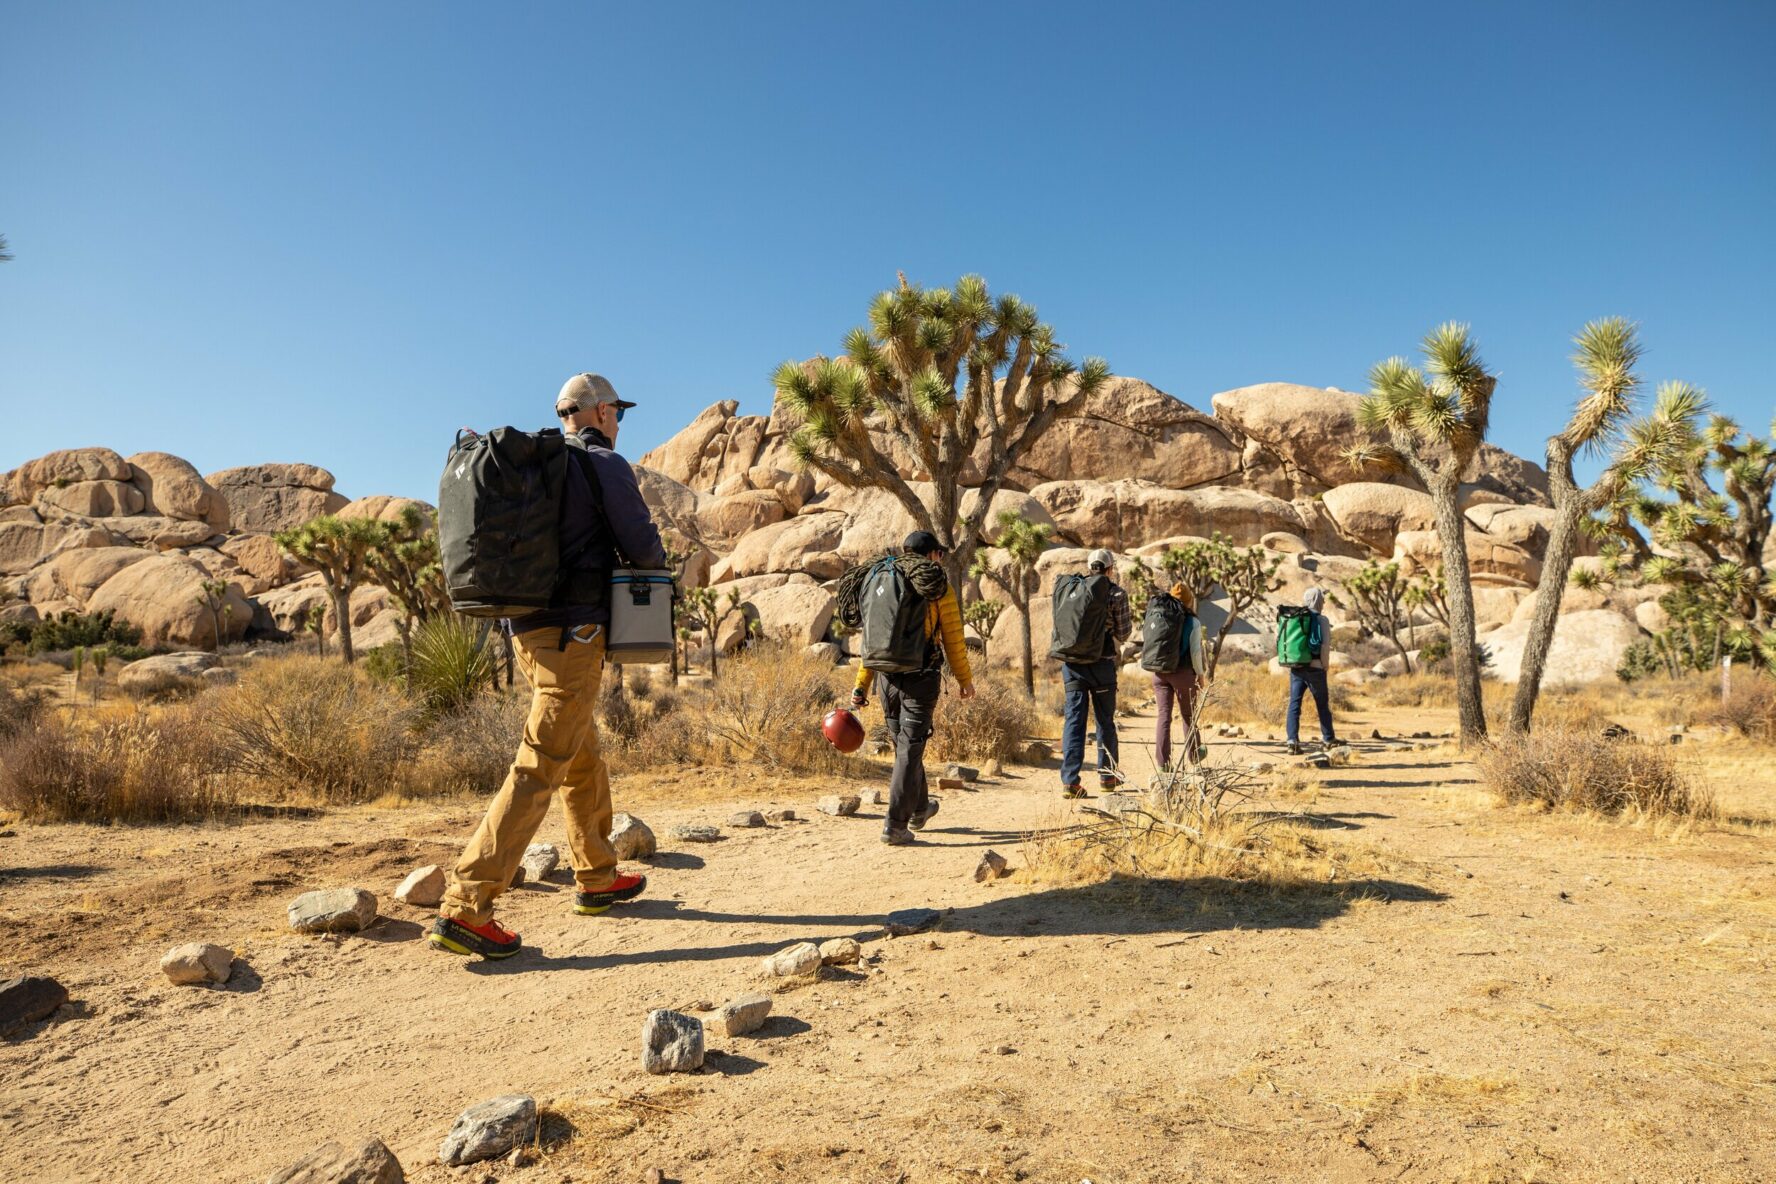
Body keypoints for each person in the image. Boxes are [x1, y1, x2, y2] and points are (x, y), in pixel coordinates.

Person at [429, 373, 667, 960]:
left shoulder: (539, 466)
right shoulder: (602, 464)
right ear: (602, 411)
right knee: (541, 764)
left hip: (528, 633)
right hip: (577, 632)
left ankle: (597, 874)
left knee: (581, 754)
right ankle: (467, 904)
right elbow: (644, 549)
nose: (618, 423)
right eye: (617, 413)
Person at [847, 531, 976, 846]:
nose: (941, 560)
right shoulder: (935, 587)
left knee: (905, 748)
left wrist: (861, 685)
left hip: (886, 678)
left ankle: (920, 809)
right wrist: (964, 679)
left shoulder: (884, 581)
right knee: (910, 748)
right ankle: (895, 825)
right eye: (939, 555)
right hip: (921, 676)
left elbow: (874, 642)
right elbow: (953, 639)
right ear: (932, 555)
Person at [1058, 549, 1132, 798]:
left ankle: (1070, 782)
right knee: (1104, 721)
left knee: (1074, 721)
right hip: (1102, 664)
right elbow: (1123, 634)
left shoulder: (1074, 590)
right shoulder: (1117, 593)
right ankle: (1108, 778)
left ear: (1090, 567)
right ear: (1110, 569)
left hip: (1073, 665)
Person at [1153, 582, 1207, 770]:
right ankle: (1194, 757)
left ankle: (1163, 764)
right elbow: (1195, 653)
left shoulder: (1160, 615)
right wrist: (1200, 675)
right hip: (1183, 673)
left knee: (1163, 716)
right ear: (1188, 601)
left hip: (1160, 673)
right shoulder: (1192, 622)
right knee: (1188, 716)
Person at [1284, 586, 1338, 756]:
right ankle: (1328, 739)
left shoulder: (1294, 617)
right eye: (1322, 599)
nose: (1324, 601)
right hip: (1315, 668)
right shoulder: (1322, 620)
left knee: (1294, 704)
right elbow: (1325, 646)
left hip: (1296, 667)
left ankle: (1292, 741)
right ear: (1317, 601)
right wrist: (1325, 666)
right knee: (1322, 704)